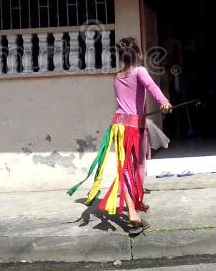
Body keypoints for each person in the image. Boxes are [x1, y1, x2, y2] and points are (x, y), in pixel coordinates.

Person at [68, 37, 172, 233]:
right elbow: (152, 88)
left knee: (124, 168)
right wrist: (164, 102)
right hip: (134, 127)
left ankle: (135, 205)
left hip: (118, 126)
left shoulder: (117, 76)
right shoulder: (140, 71)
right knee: (139, 165)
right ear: (139, 55)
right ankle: (133, 210)